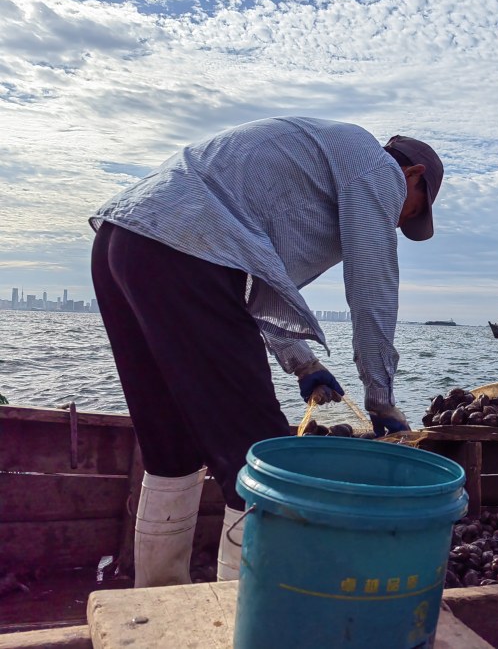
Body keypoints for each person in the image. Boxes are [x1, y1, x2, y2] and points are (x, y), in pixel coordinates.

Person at [89, 116, 443, 586]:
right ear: (412, 175)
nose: (399, 224)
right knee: (260, 459)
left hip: (124, 240)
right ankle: (245, 612)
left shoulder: (319, 165)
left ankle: (156, 601)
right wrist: (381, 398)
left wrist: (304, 364)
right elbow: (373, 288)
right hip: (181, 251)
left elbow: (253, 289)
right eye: (412, 212)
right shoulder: (376, 168)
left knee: (170, 446)